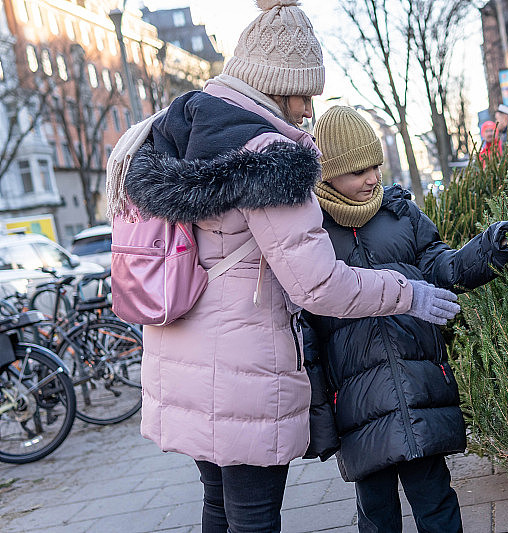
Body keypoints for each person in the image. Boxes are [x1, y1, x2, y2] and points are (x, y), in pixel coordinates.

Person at [105, 2, 460, 532]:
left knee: (219, 504)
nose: (308, 109)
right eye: (304, 92)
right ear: (277, 84)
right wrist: (407, 292)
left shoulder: (168, 132)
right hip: (241, 368)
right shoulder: (270, 156)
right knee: (252, 515)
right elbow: (319, 285)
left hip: (180, 352)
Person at [302, 106, 508, 533]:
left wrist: (490, 249)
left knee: (436, 500)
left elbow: (441, 266)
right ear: (327, 174)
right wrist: (320, 418)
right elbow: (307, 332)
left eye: (374, 165)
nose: (372, 178)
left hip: (417, 383)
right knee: (376, 512)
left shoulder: (399, 214)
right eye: (357, 171)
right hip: (356, 402)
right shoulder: (310, 232)